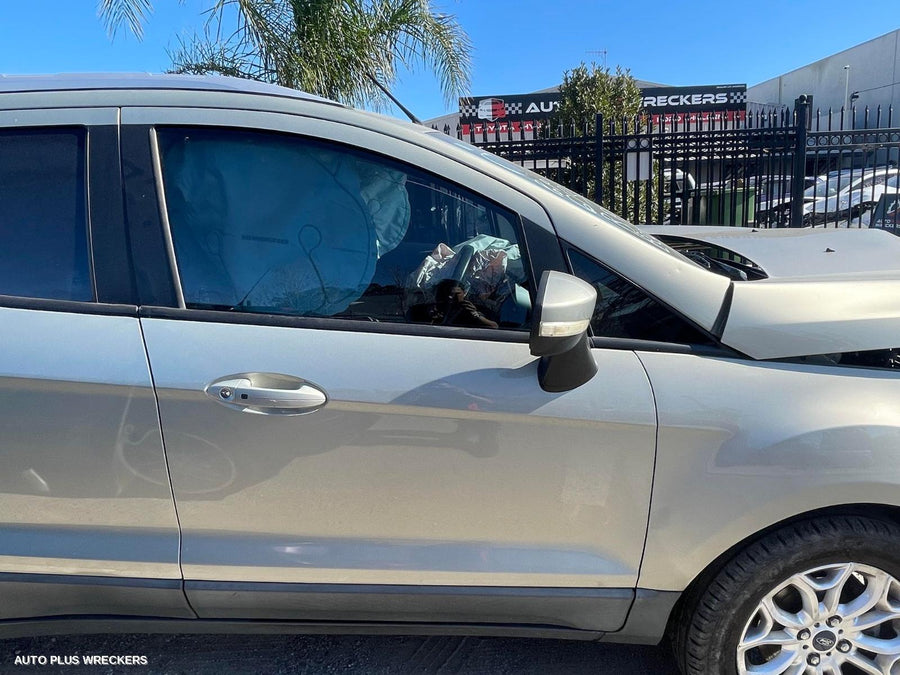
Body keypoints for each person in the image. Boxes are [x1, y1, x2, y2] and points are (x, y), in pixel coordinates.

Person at [431, 279, 498, 328]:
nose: (451, 297)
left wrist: (475, 315)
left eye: (456, 294)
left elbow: (494, 326)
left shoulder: (479, 309)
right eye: (447, 294)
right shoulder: (434, 309)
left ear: (464, 293)